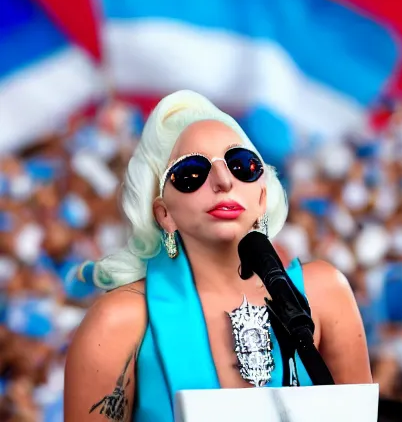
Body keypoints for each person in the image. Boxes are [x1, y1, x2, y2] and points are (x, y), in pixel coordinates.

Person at [64, 91, 372, 421]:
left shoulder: (325, 293)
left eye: (242, 165)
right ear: (164, 213)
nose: (224, 180)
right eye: (191, 172)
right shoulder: (118, 322)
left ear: (262, 197)